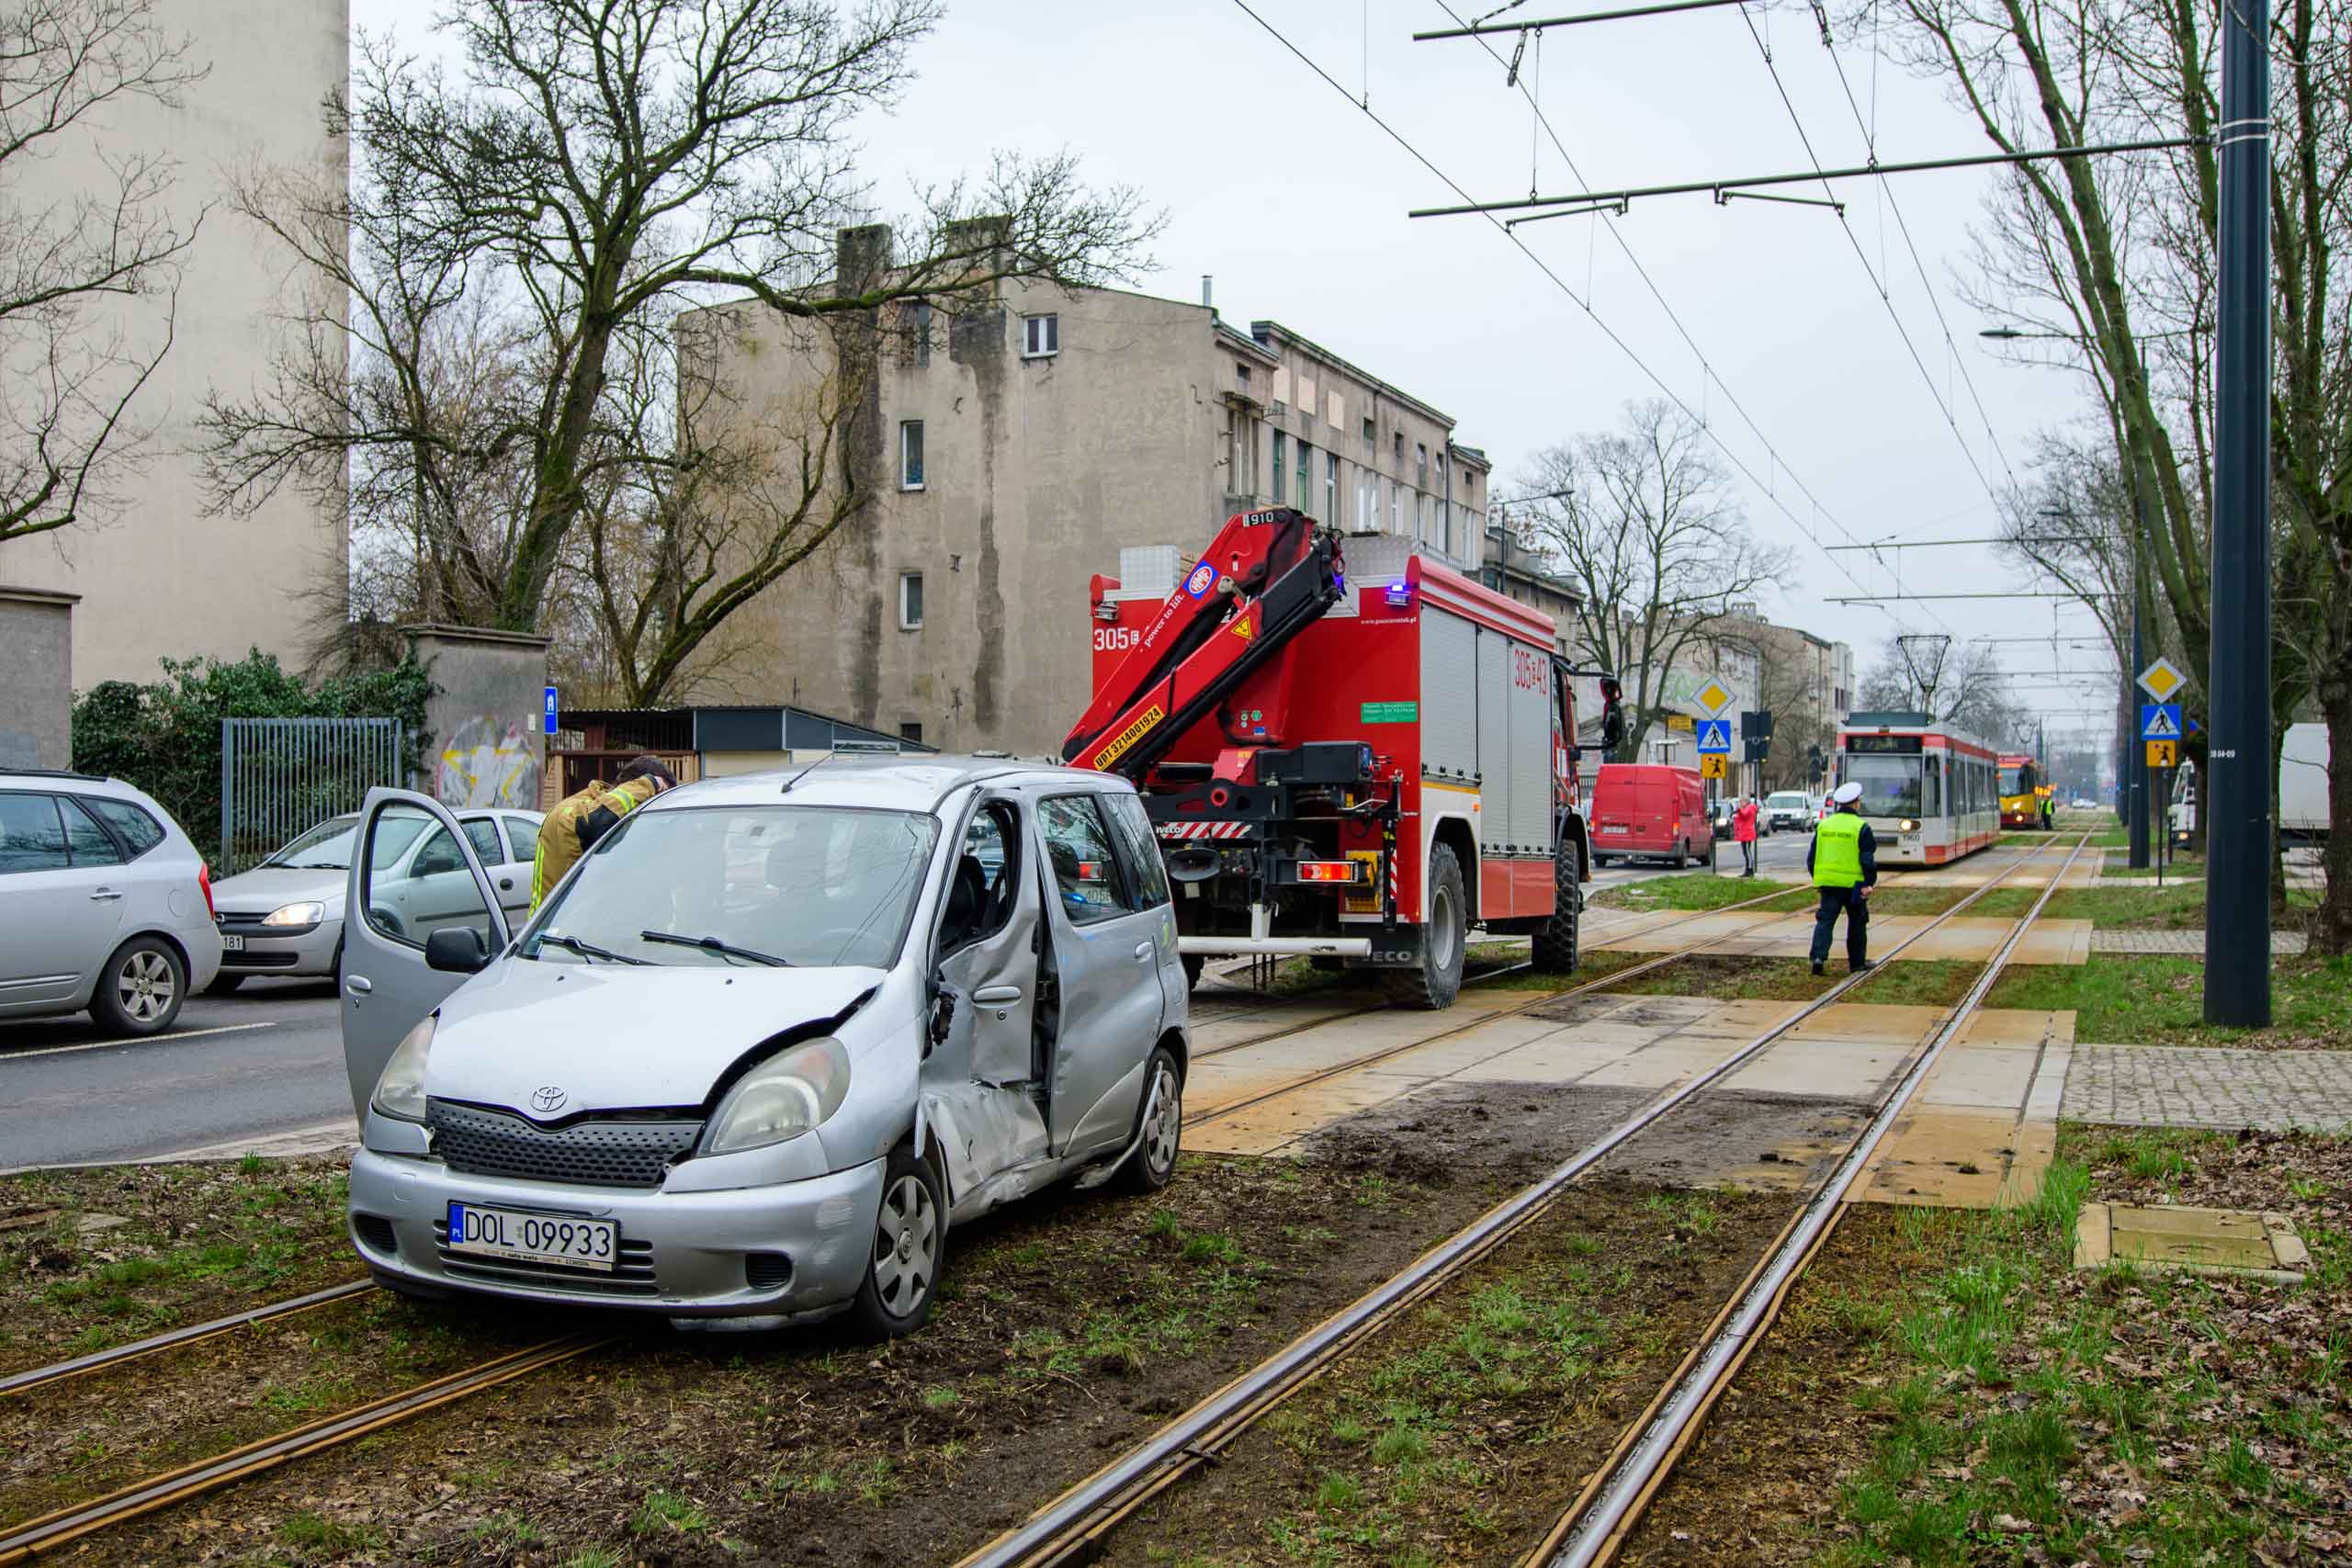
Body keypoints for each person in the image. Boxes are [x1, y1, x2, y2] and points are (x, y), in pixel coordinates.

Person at [533, 754, 676, 910]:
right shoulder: (568, 811)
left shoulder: (621, 818)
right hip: (551, 928)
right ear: (633, 787)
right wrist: (649, 784)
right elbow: (591, 824)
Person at [1806, 779, 1878, 976]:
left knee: (1825, 921)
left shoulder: (1824, 826)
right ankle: (1857, 963)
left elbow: (1812, 857)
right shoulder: (1861, 827)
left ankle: (1818, 958)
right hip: (1854, 885)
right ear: (1856, 803)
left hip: (1829, 884)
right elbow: (1867, 860)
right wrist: (1869, 883)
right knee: (1857, 922)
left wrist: (1818, 878)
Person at [1733, 795, 1760, 876]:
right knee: (1745, 853)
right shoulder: (1745, 809)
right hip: (1744, 834)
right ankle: (1748, 869)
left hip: (1747, 833)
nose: (1740, 803)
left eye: (1742, 802)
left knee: (1747, 853)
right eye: (1740, 802)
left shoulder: (1750, 808)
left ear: (1746, 802)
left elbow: (1744, 815)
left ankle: (1750, 870)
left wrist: (1739, 810)